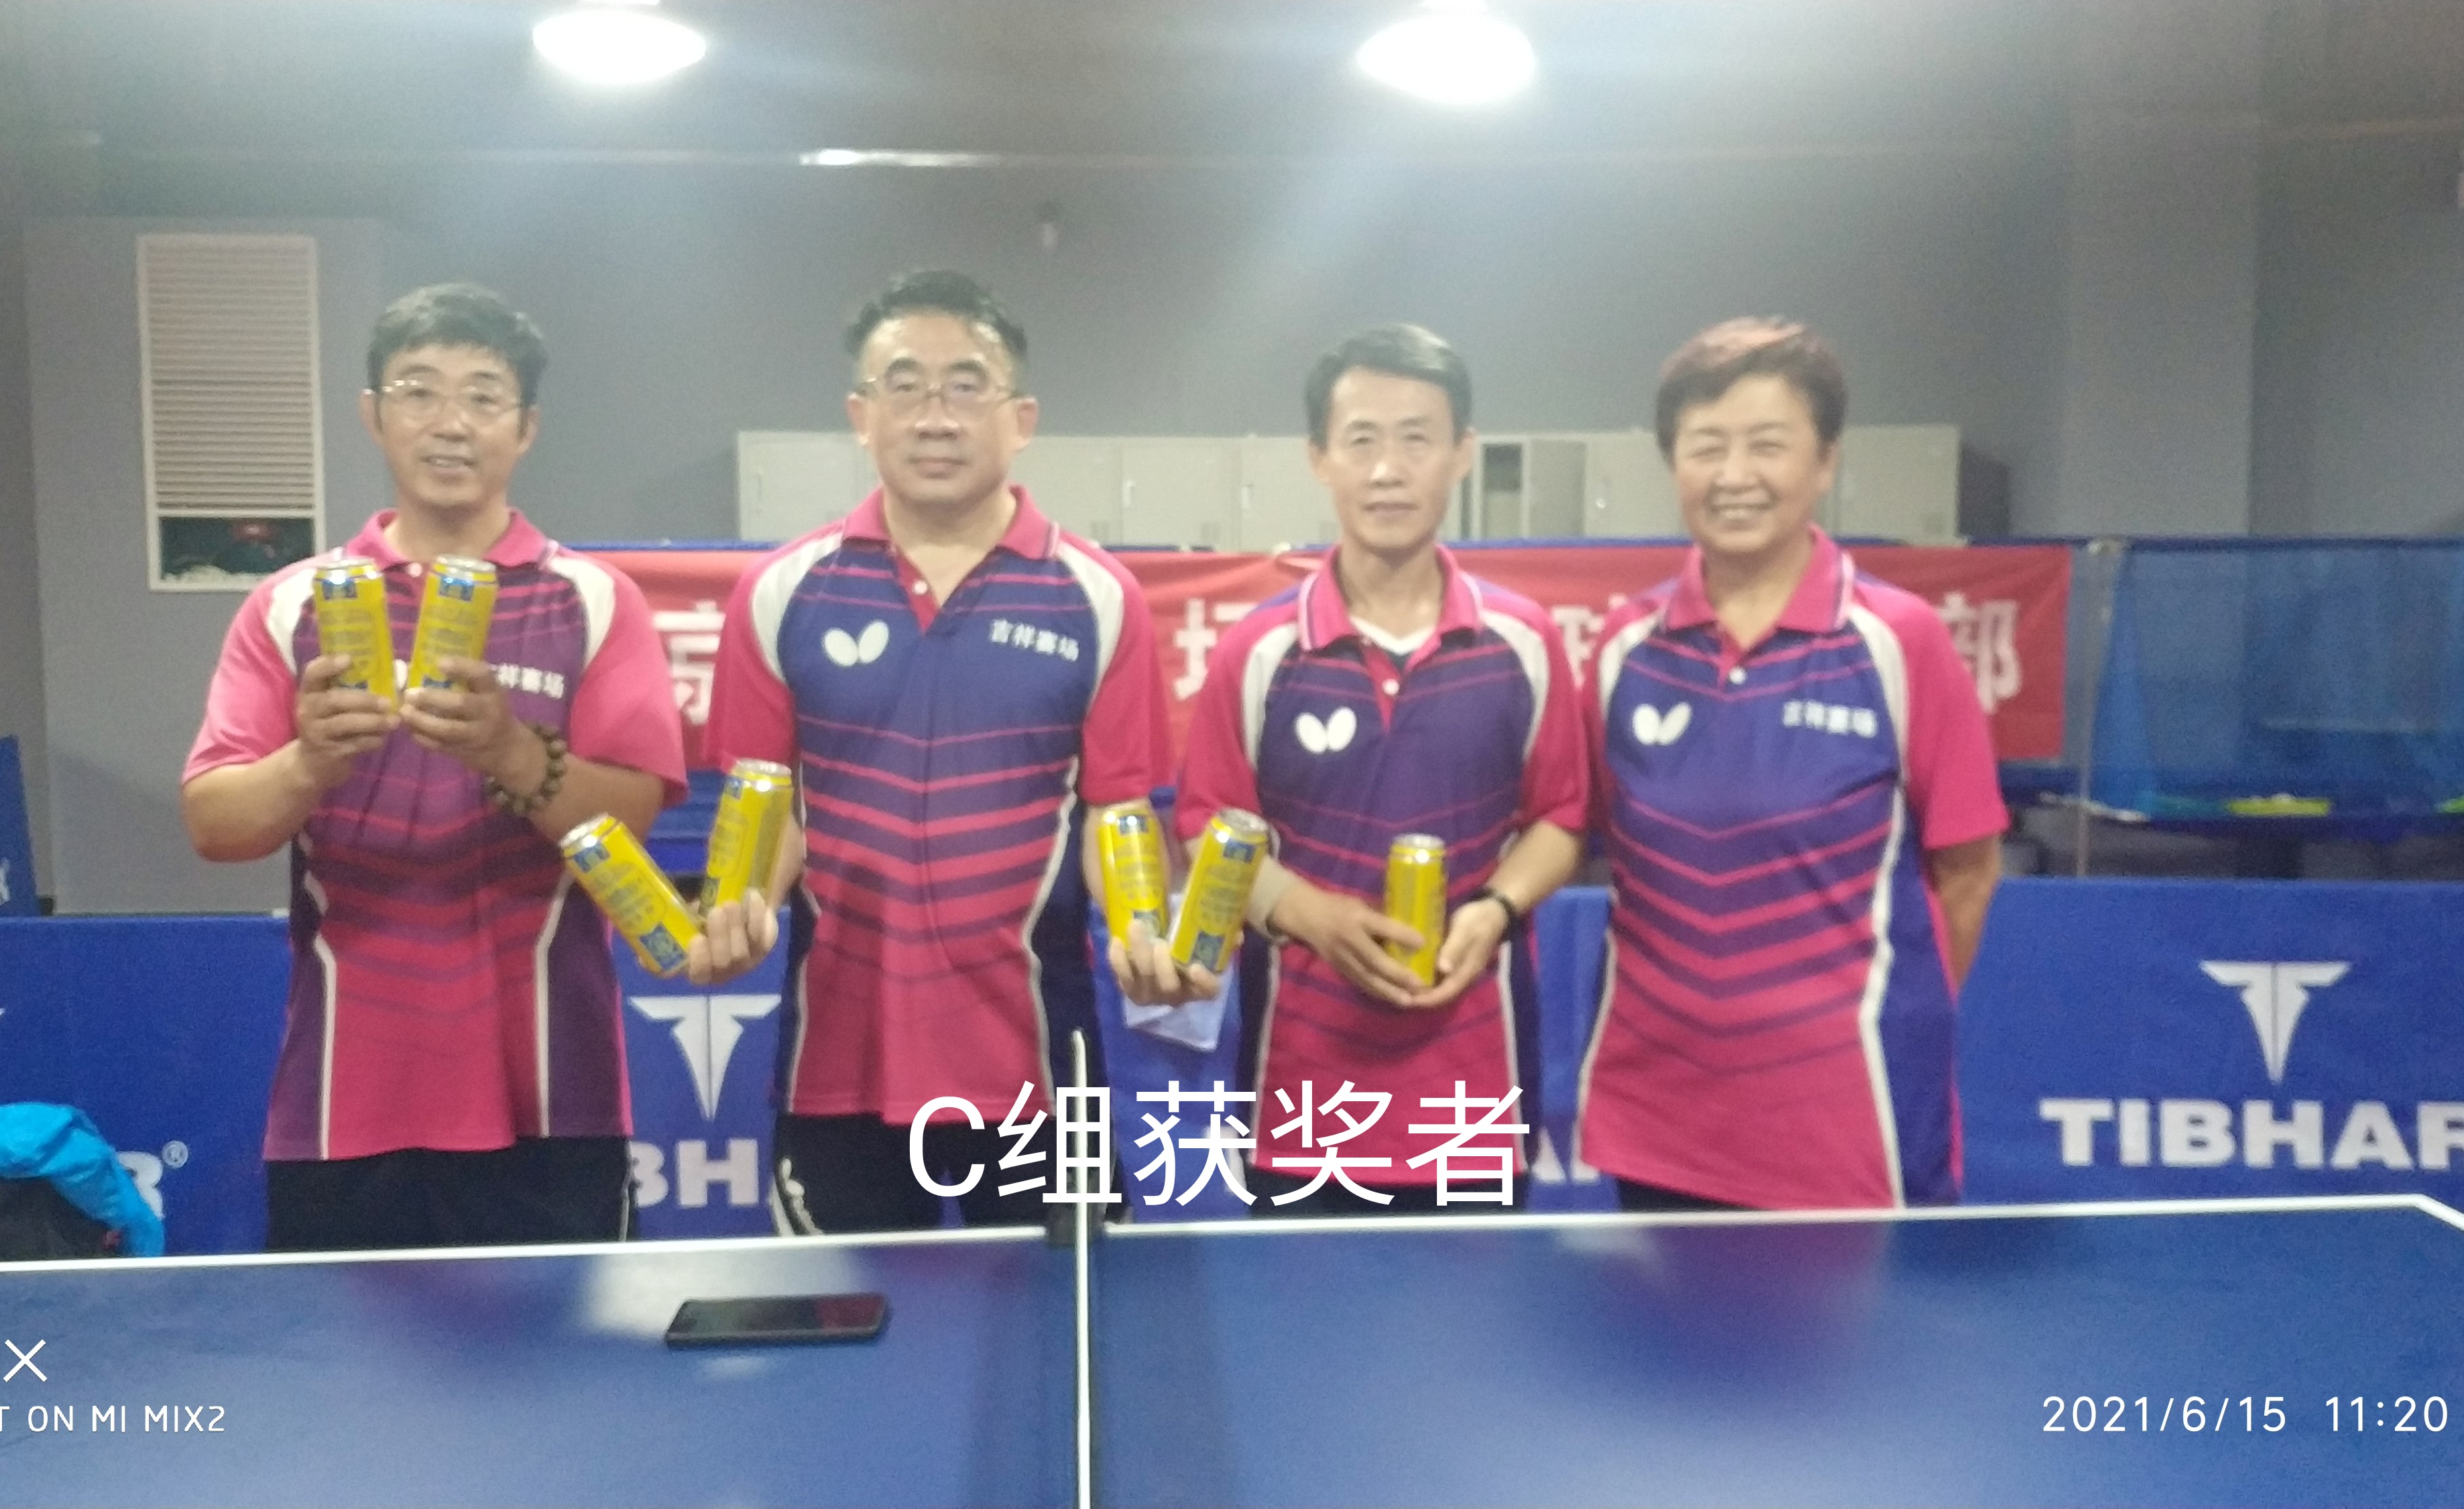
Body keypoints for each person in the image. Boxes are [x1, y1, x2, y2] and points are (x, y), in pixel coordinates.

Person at [182, 283, 687, 1251]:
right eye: (419, 391)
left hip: (553, 1098)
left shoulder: (592, 599)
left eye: (483, 396)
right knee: (339, 1356)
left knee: (557, 1354)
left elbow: (629, 821)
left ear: (526, 428)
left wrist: (509, 752)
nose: (450, 422)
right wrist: (310, 761)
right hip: (340, 1100)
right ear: (374, 415)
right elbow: (214, 822)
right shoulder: (292, 604)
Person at [686, 270, 1169, 1233]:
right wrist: (743, 907)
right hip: (837, 1068)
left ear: (1021, 419)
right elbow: (765, 808)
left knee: (1072, 1323)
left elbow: (1115, 814)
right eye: (904, 385)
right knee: (849, 1328)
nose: (935, 416)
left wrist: (1144, 929)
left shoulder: (1099, 597)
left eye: (966, 386)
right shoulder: (783, 592)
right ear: (861, 417)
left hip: (1045, 1068)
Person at [1149, 324, 1586, 1215]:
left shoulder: (1523, 641)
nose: (1389, 469)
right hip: (1300, 1097)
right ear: (1320, 458)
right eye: (1362, 440)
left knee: (1481, 1309)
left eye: (1417, 438)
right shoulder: (1258, 651)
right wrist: (1308, 914)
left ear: (1463, 452)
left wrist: (1496, 908)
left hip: (1474, 1096)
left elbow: (1563, 818)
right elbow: (1207, 827)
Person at [1578, 317, 2006, 1212]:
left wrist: (1862, 1017)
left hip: (1849, 1126)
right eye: (1706, 447)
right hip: (1661, 1120)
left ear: (1825, 461)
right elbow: (1599, 843)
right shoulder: (1625, 646)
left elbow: (1967, 870)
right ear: (1673, 465)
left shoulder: (1900, 641)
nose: (1734, 475)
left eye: (1767, 445)